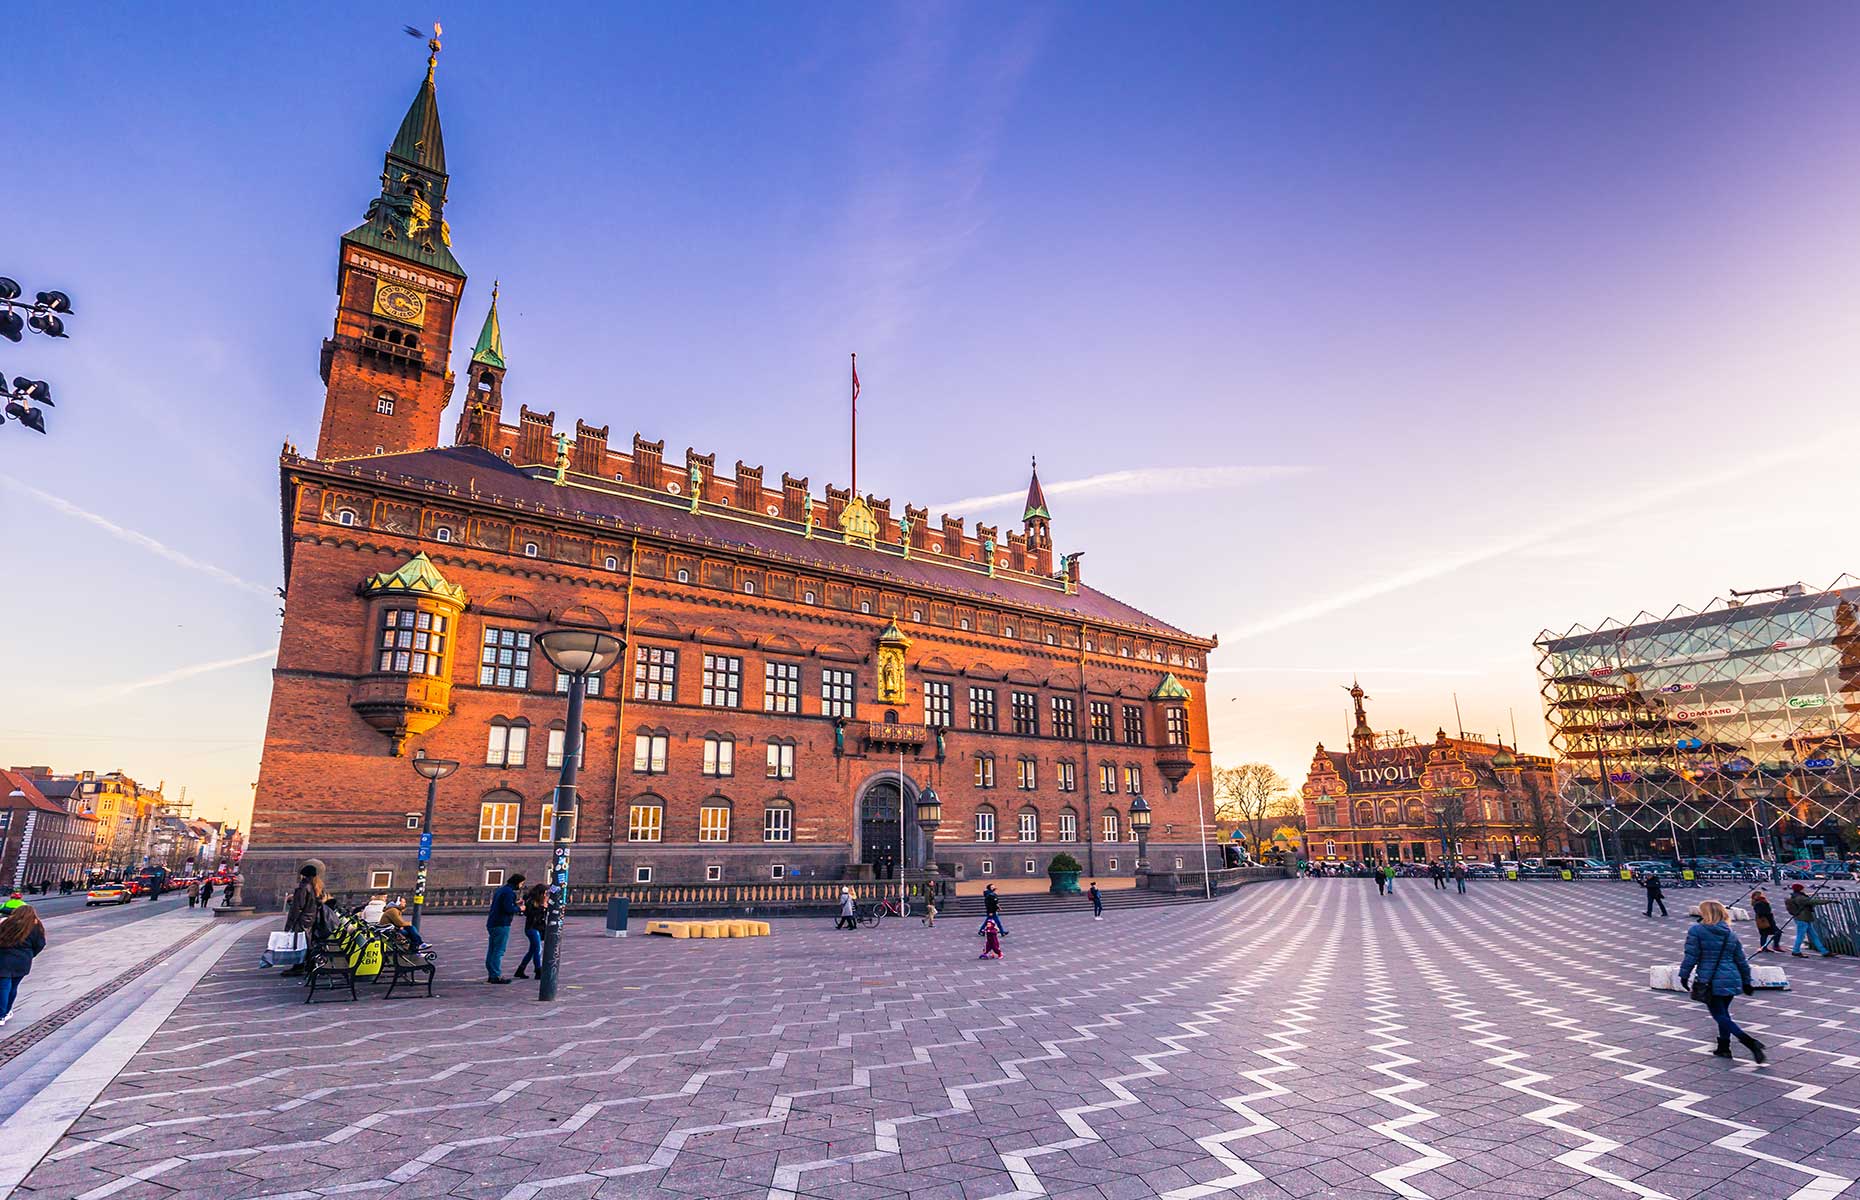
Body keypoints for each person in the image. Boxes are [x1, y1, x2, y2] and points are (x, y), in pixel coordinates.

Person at [1679, 899, 1765, 1064]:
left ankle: (1749, 1042)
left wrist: (1684, 975)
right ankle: (1724, 1048)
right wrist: (1747, 981)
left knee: (1719, 1015)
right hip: (1732, 978)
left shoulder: (1697, 930)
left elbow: (1691, 956)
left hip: (1709, 979)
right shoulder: (1730, 933)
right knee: (1723, 1013)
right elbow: (1741, 960)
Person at [0, 899, 48, 1027]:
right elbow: (40, 944)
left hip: (4, 959)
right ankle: (6, 1011)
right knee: (13, 987)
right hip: (23, 961)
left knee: (4, 987)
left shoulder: (6, 924)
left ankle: (1, 1014)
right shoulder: (36, 927)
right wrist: (30, 955)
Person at [280, 864, 323, 978]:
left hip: (302, 920)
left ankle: (298, 966)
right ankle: (309, 965)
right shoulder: (316, 887)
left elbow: (297, 907)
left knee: (299, 943)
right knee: (306, 943)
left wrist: (289, 924)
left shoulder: (303, 887)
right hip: (310, 919)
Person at [485, 873, 524, 983]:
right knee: (499, 950)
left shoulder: (502, 890)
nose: (521, 886)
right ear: (517, 882)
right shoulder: (509, 892)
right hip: (502, 923)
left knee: (492, 949)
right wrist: (520, 908)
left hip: (492, 923)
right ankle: (495, 975)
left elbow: (502, 904)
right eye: (521, 883)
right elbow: (508, 909)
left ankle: (492, 973)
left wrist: (515, 903)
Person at [1786, 884, 1834, 957]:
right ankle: (1796, 951)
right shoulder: (1800, 898)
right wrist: (1829, 901)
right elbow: (1813, 901)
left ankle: (1824, 951)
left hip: (1803, 918)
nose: (1804, 890)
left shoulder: (1795, 896)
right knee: (1801, 936)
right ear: (1800, 889)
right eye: (1802, 888)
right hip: (1803, 919)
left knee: (1814, 935)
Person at [513, 883, 548, 979]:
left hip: (538, 928)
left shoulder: (539, 902)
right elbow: (531, 914)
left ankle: (520, 969)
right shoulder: (531, 902)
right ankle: (538, 970)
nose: (545, 896)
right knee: (537, 949)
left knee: (532, 950)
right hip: (532, 928)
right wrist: (543, 907)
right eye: (544, 893)